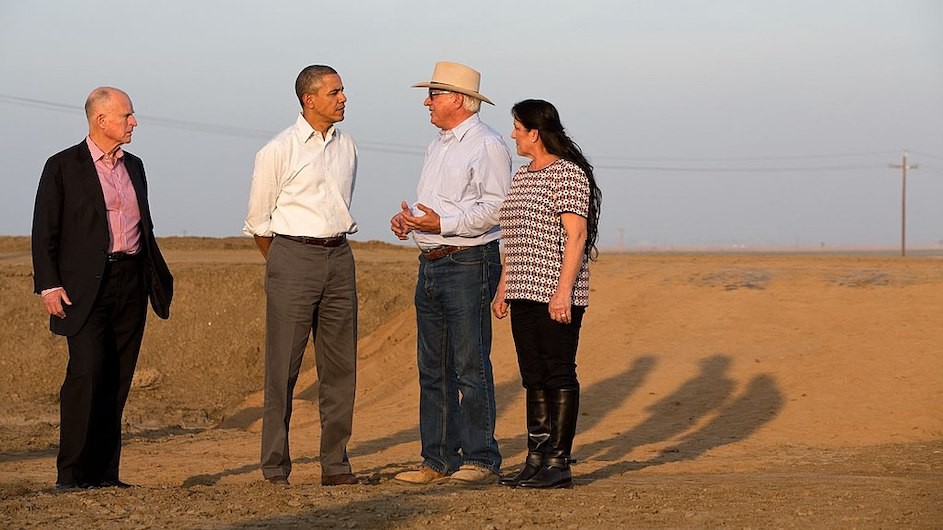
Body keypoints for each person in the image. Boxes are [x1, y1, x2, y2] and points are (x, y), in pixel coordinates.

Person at [31, 87, 174, 491]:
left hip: (131, 282)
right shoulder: (62, 166)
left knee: (118, 377)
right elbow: (45, 230)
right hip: (82, 288)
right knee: (86, 374)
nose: (134, 122)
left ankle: (106, 473)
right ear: (101, 120)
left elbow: (142, 225)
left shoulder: (137, 166)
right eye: (127, 115)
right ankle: (72, 475)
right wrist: (49, 286)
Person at [390, 61, 512, 485]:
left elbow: (496, 209)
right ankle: (438, 460)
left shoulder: (487, 144)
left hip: (469, 262)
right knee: (433, 368)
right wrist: (412, 223)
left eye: (435, 94)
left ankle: (480, 459)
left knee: (469, 365)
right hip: (432, 263)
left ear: (458, 100)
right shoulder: (437, 145)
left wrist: (439, 223)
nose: (427, 101)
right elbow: (438, 209)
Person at [244, 65, 360, 487]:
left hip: (340, 257)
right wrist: (286, 262)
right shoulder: (278, 149)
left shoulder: (348, 146)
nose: (344, 97)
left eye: (343, 90)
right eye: (335, 91)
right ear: (309, 99)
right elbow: (258, 222)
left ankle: (335, 465)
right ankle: (275, 467)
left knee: (340, 368)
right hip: (292, 256)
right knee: (283, 369)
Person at [491, 99, 602, 489]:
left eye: (517, 128)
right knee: (532, 375)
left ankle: (559, 462)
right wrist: (504, 285)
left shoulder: (567, 174)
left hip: (555, 291)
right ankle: (536, 458)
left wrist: (563, 292)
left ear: (534, 132)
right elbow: (515, 236)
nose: (513, 134)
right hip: (522, 288)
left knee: (558, 371)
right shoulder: (522, 176)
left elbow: (576, 236)